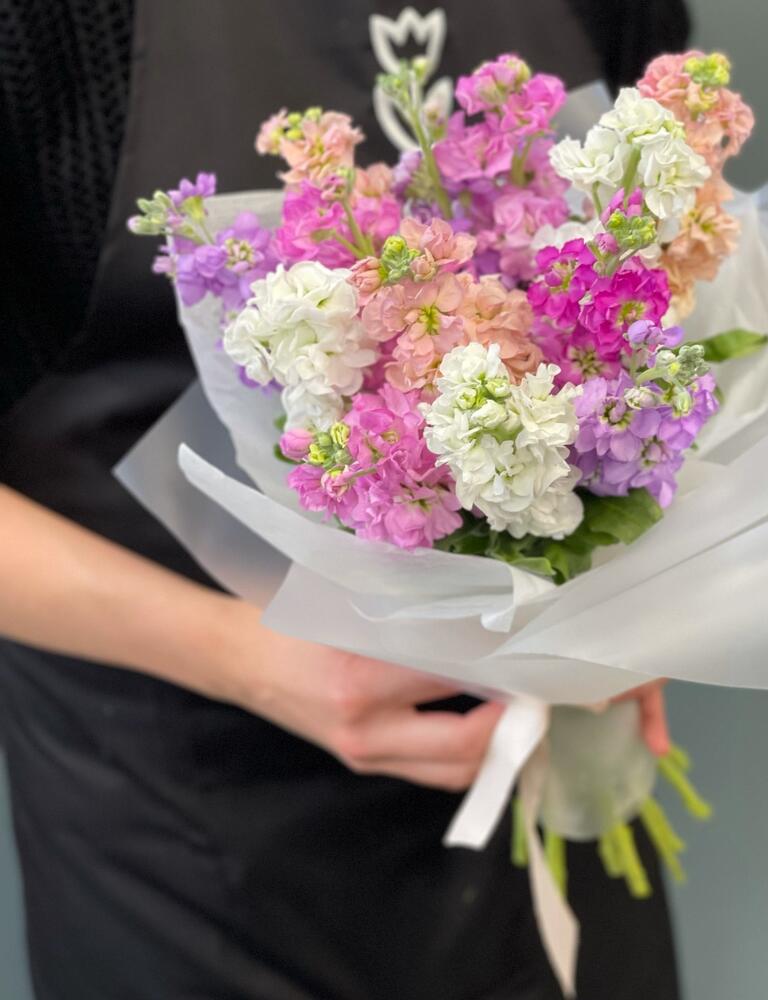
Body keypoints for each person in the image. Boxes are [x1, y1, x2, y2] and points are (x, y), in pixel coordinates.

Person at [0, 2, 690, 997]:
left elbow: (647, 275)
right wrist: (245, 658)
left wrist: (640, 582)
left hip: (553, 780)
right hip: (191, 841)